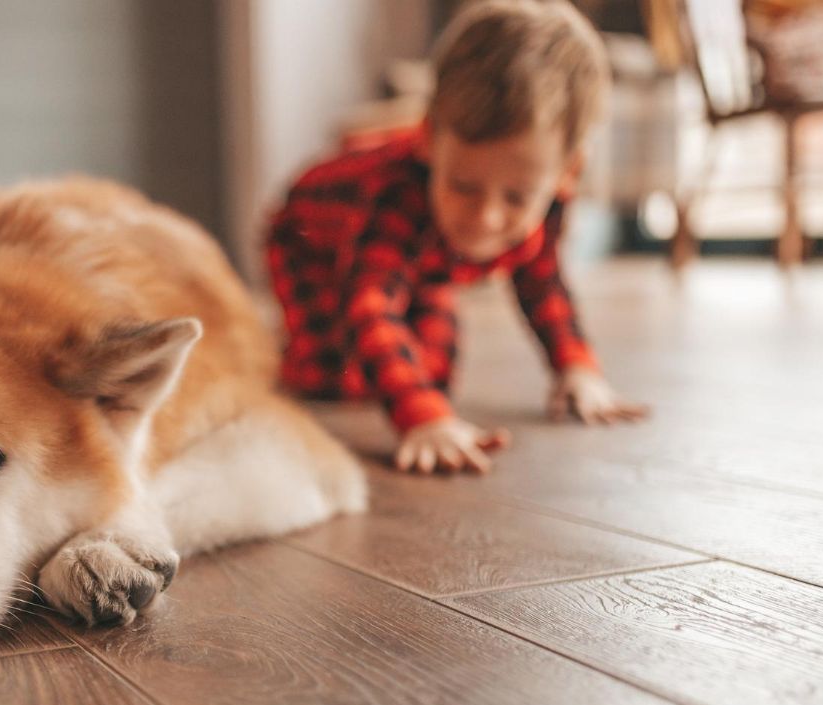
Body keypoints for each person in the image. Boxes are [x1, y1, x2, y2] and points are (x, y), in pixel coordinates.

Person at [267, 0, 648, 475]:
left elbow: (543, 284)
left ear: (567, 173)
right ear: (428, 141)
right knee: (331, 374)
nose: (486, 219)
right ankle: (283, 350)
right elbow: (371, 306)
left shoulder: (549, 203)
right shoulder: (395, 196)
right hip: (310, 241)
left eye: (516, 198)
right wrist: (421, 418)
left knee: (434, 370)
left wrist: (577, 368)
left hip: (426, 260)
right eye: (463, 186)